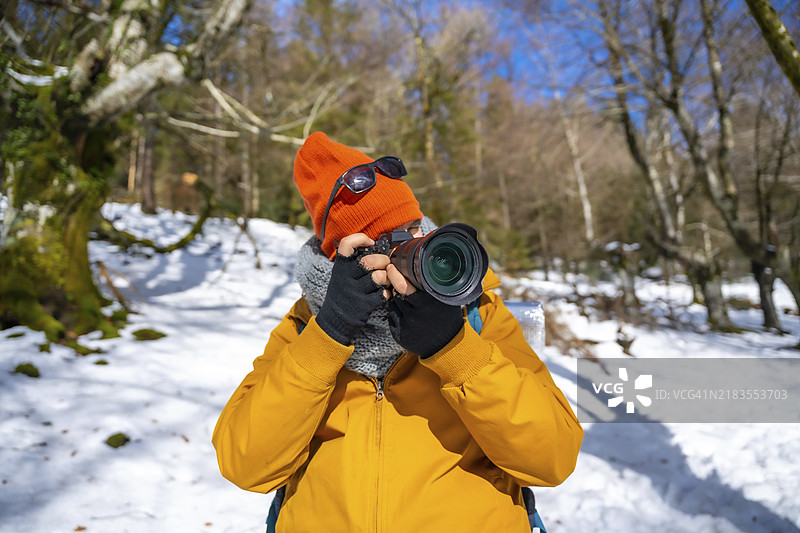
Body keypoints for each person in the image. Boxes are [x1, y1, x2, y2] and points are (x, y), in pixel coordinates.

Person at [212, 132, 583, 532]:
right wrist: (331, 334)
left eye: (414, 230)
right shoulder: (307, 326)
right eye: (387, 241)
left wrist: (453, 348)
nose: (407, 251)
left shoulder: (476, 313)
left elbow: (554, 458)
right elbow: (244, 464)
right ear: (341, 257)